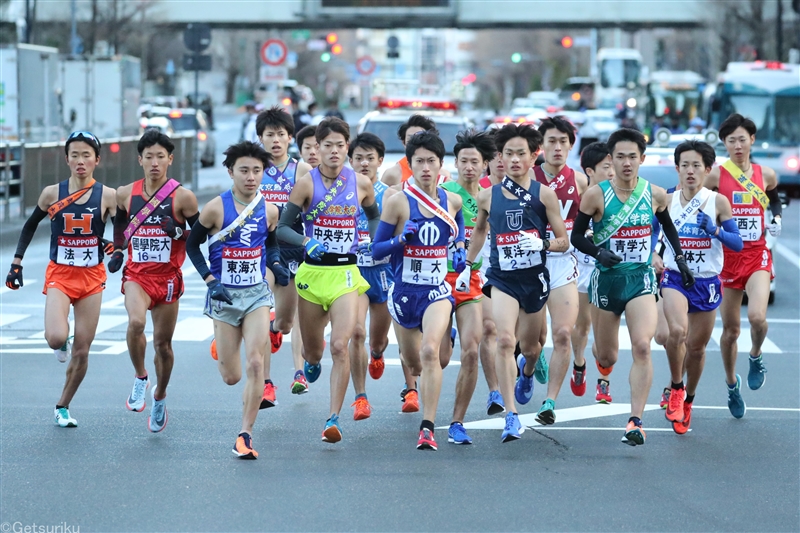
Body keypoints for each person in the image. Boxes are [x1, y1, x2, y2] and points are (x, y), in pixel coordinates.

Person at [571, 128, 695, 446]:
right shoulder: (596, 195)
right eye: (621, 157)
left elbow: (668, 228)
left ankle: (635, 421)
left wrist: (680, 260)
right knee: (609, 355)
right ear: (611, 160)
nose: (627, 163)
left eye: (633, 157)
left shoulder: (655, 194)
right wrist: (598, 252)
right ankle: (599, 362)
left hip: (640, 279)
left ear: (642, 159)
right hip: (607, 282)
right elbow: (576, 237)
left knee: (642, 346)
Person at [459, 123, 570, 443]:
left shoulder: (545, 195)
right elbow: (479, 231)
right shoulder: (488, 195)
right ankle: (511, 415)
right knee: (504, 340)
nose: (515, 159)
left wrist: (543, 245)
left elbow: (564, 240)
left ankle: (528, 370)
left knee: (531, 347)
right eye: (508, 154)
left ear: (534, 155)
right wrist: (468, 265)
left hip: (534, 279)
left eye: (521, 153)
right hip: (501, 277)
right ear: (500, 157)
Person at [277, 117, 379, 443]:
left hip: (346, 274)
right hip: (312, 274)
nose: (334, 151)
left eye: (340, 145)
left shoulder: (361, 183)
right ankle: (310, 362)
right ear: (317, 149)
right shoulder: (306, 184)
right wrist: (306, 242)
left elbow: (375, 214)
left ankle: (333, 418)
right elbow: (282, 229)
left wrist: (374, 242)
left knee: (339, 345)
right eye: (327, 145)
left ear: (346, 147)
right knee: (314, 352)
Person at [6, 131, 116, 427]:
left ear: (97, 160)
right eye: (75, 155)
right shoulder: (51, 193)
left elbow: (123, 233)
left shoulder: (108, 195)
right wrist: (16, 263)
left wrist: (114, 246)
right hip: (60, 275)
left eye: (87, 155)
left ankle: (63, 406)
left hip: (92, 277)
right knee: (55, 337)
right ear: (67, 159)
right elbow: (29, 227)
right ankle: (61, 340)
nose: (81, 161)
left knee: (82, 350)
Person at [367, 131, 466, 450]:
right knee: (414, 363)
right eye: (419, 161)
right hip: (403, 293)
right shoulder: (397, 201)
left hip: (437, 291)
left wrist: (460, 246)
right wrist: (400, 241)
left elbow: (459, 223)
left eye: (432, 161)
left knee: (430, 353)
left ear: (441, 165)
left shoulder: (452, 200)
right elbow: (376, 250)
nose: (426, 168)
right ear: (410, 164)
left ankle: (428, 426)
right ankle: (421, 369)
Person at [185, 141, 282, 459]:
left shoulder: (269, 210)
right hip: (224, 297)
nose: (251, 177)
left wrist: (277, 265)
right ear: (230, 172)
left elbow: (272, 244)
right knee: (232, 377)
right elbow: (191, 246)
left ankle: (245, 434)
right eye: (244, 170)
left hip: (256, 295)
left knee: (256, 361)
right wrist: (211, 281)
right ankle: (223, 341)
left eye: (257, 170)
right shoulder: (215, 208)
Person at [107, 130, 199, 432]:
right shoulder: (125, 193)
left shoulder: (183, 197)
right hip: (137, 275)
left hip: (168, 278)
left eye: (161, 157)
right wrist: (119, 249)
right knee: (135, 323)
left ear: (170, 159)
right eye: (149, 157)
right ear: (140, 160)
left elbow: (200, 236)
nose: (155, 163)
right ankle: (140, 376)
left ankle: (159, 395)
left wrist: (176, 231)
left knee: (163, 345)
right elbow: (120, 220)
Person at [703, 113, 781, 418]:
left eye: (742, 139)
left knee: (758, 317)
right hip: (726, 256)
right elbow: (698, 199)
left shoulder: (768, 174)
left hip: (757, 254)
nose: (737, 145)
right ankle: (731, 384)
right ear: (724, 144)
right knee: (731, 331)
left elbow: (774, 199)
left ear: (752, 140)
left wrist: (775, 219)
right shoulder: (716, 176)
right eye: (731, 140)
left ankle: (757, 354)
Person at [661, 140, 742, 433]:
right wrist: (654, 258)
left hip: (707, 281)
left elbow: (737, 243)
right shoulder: (666, 200)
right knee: (677, 332)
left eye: (697, 165)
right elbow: (651, 237)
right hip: (675, 277)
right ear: (677, 168)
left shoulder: (718, 201)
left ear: (708, 169)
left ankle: (689, 401)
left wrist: (715, 231)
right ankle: (676, 387)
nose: (690, 171)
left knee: (696, 348)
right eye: (685, 165)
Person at [526, 117, 590, 425]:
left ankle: (549, 401)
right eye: (551, 141)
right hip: (529, 264)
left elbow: (590, 223)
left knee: (563, 332)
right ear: (540, 146)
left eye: (563, 142)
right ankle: (528, 368)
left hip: (563, 262)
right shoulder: (527, 177)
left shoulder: (579, 182)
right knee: (531, 341)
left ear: (570, 146)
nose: (557, 147)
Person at [436, 129, 496, 445]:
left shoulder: (490, 196)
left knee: (471, 351)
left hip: (472, 280)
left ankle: (457, 421)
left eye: (475, 161)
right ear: (455, 163)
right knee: (440, 358)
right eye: (464, 161)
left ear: (485, 165)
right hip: (437, 280)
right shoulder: (443, 192)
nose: (469, 167)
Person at [255, 106, 313, 403]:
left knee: (290, 321)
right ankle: (269, 382)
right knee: (262, 304)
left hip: (294, 250)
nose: (275, 140)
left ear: (290, 137)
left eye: (281, 134)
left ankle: (278, 332)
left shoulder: (301, 170)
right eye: (269, 135)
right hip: (263, 249)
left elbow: (312, 211)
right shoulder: (253, 169)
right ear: (260, 138)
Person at [347, 133, 393, 421]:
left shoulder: (390, 194)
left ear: (380, 161)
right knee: (357, 333)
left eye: (369, 158)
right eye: (358, 158)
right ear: (350, 161)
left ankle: (376, 355)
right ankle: (360, 397)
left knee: (376, 340)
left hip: (383, 272)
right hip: (354, 272)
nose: (364, 163)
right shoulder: (342, 192)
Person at [572, 142, 615, 402]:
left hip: (606, 270)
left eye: (613, 166)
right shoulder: (580, 198)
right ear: (590, 170)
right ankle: (579, 365)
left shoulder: (619, 198)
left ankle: (604, 382)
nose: (612, 172)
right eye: (606, 167)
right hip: (580, 270)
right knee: (583, 325)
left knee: (603, 330)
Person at [478, 151, 504, 416]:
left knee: (527, 340)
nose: (500, 160)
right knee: (489, 328)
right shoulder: (480, 190)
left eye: (505, 153)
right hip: (485, 268)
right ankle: (494, 391)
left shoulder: (529, 189)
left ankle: (528, 358)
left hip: (520, 268)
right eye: (495, 155)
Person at [381, 114, 452, 187]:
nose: (416, 143)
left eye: (421, 138)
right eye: (411, 139)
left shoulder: (444, 176)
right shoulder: (392, 174)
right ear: (403, 142)